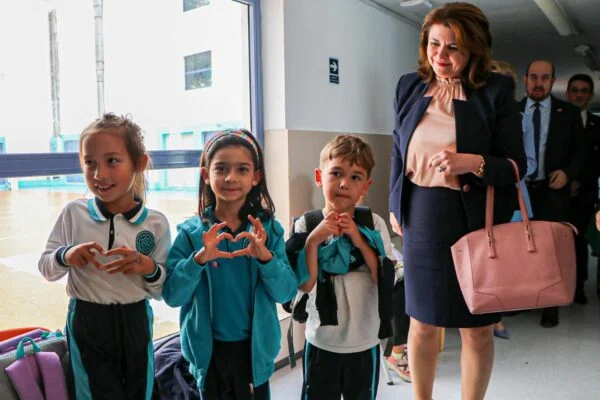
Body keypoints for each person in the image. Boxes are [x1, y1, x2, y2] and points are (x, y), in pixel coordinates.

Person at [388, 3, 526, 400]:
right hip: (422, 217)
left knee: (477, 327)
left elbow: (517, 166)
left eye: (453, 47)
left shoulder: (495, 91)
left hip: (475, 218)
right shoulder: (409, 86)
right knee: (421, 322)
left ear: (474, 50)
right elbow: (398, 148)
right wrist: (395, 202)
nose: (441, 56)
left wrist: (472, 162)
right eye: (434, 44)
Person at [38, 113, 171, 400]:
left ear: (139, 163)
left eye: (112, 161)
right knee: (93, 393)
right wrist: (66, 255)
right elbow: (47, 268)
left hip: (135, 320)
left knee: (140, 392)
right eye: (90, 163)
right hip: (88, 320)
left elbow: (161, 290)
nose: (99, 174)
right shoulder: (74, 213)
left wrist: (147, 266)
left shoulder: (156, 224)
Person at [162, 129, 297, 400]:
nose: (230, 178)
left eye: (242, 169)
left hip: (254, 353)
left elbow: (286, 293)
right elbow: (173, 296)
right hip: (208, 354)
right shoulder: (190, 234)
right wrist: (199, 259)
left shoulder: (268, 231)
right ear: (206, 174)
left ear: (255, 177)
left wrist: (265, 257)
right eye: (221, 168)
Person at [289, 135, 393, 399]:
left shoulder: (374, 224)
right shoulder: (306, 224)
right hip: (321, 341)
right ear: (319, 177)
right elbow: (306, 284)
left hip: (364, 342)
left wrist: (359, 239)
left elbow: (382, 279)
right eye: (336, 173)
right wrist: (314, 240)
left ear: (365, 186)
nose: (344, 183)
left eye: (355, 177)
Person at [520, 60, 586, 327]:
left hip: (552, 191)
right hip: (521, 192)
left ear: (553, 81)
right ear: (525, 80)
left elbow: (581, 151)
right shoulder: (511, 111)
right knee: (522, 247)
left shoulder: (568, 113)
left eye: (545, 78)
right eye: (534, 77)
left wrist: (568, 173)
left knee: (551, 251)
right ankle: (524, 297)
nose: (539, 83)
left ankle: (550, 306)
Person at [488, 59, 539, 340]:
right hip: (479, 194)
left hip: (512, 193)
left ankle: (495, 316)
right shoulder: (471, 114)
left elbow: (529, 162)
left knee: (503, 259)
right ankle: (483, 312)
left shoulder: (522, 119)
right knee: (481, 254)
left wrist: (499, 168)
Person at [565, 73, 600, 304]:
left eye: (584, 91)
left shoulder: (597, 125)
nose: (579, 95)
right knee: (557, 241)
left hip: (585, 192)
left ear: (590, 95)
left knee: (579, 240)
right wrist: (566, 180)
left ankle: (578, 286)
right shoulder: (556, 120)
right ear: (568, 93)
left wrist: (580, 181)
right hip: (556, 190)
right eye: (575, 90)